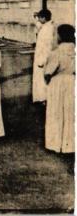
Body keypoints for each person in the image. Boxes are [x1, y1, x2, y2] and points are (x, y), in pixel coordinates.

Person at [44, 24, 75, 154]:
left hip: (58, 83)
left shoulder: (56, 53)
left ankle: (55, 143)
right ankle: (70, 145)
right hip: (72, 82)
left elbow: (48, 72)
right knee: (70, 113)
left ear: (60, 36)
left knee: (56, 112)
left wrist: (47, 80)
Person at [32, 9, 56, 103]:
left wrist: (42, 60)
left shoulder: (48, 29)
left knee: (42, 78)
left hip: (43, 58)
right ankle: (41, 97)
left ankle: (44, 98)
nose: (39, 20)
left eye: (40, 18)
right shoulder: (46, 26)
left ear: (44, 18)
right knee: (40, 78)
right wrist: (36, 18)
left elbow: (47, 47)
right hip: (40, 56)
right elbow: (38, 26)